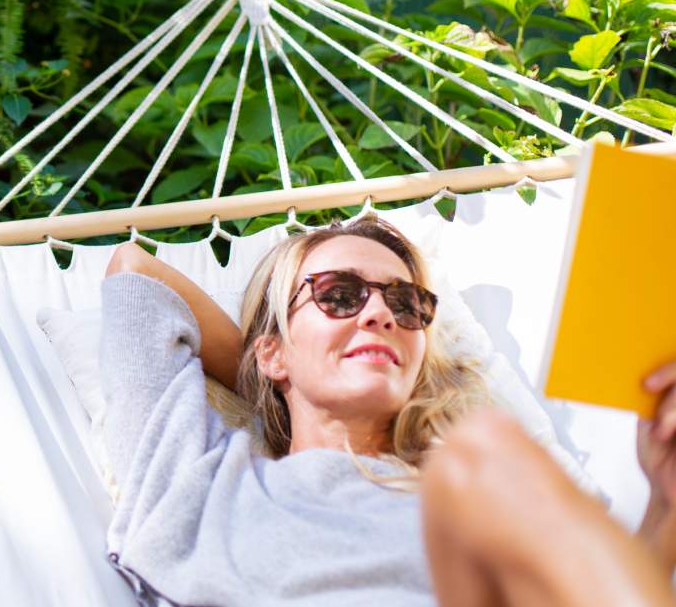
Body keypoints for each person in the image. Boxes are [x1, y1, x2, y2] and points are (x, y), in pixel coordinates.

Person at [99, 214, 675, 607]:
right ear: (270, 349)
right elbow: (135, 272)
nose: (379, 314)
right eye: (338, 295)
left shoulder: (482, 494)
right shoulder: (205, 486)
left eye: (406, 303)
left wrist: (666, 505)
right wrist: (273, 372)